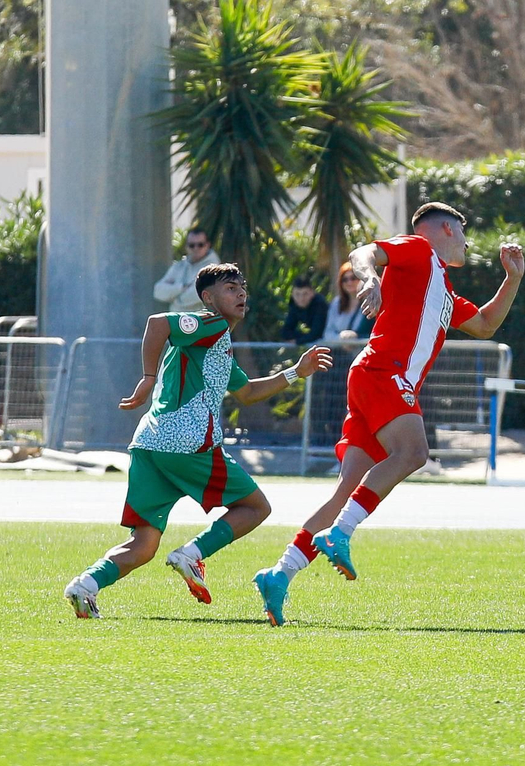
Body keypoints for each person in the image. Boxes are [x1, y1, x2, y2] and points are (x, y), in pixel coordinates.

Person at [254, 202, 525, 626]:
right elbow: (363, 253)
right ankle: (340, 534)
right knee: (414, 452)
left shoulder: (443, 289)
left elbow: (486, 325)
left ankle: (279, 574)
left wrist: (513, 279)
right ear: (447, 229)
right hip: (383, 371)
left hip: (374, 378)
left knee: (347, 491)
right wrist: (371, 278)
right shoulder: (419, 249)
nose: (469, 243)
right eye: (464, 232)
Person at [63, 264, 333, 619]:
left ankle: (85, 586)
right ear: (207, 298)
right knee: (255, 508)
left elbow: (248, 392)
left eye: (242, 288)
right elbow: (158, 323)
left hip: (149, 445)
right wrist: (147, 377)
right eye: (229, 288)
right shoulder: (212, 324)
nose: (240, 294)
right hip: (186, 442)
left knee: (143, 545)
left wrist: (296, 371)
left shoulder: (214, 344)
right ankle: (191, 554)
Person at [152, 227, 219, 312]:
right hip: (177, 322)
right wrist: (182, 287)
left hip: (201, 322)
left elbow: (193, 296)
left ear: (208, 245)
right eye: (192, 245)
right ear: (186, 246)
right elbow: (158, 291)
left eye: (200, 245)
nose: (196, 248)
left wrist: (174, 299)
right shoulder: (179, 266)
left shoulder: (213, 269)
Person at [323, 261, 375, 341]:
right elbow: (328, 333)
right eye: (345, 279)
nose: (349, 282)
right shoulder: (336, 303)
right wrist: (342, 339)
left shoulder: (370, 302)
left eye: (353, 278)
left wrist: (355, 338)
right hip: (340, 352)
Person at [279, 275, 328, 345]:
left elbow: (317, 333)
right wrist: (302, 338)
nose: (301, 298)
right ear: (292, 294)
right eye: (297, 294)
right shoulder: (294, 304)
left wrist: (297, 341)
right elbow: (285, 331)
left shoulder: (320, 304)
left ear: (312, 293)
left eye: (305, 294)